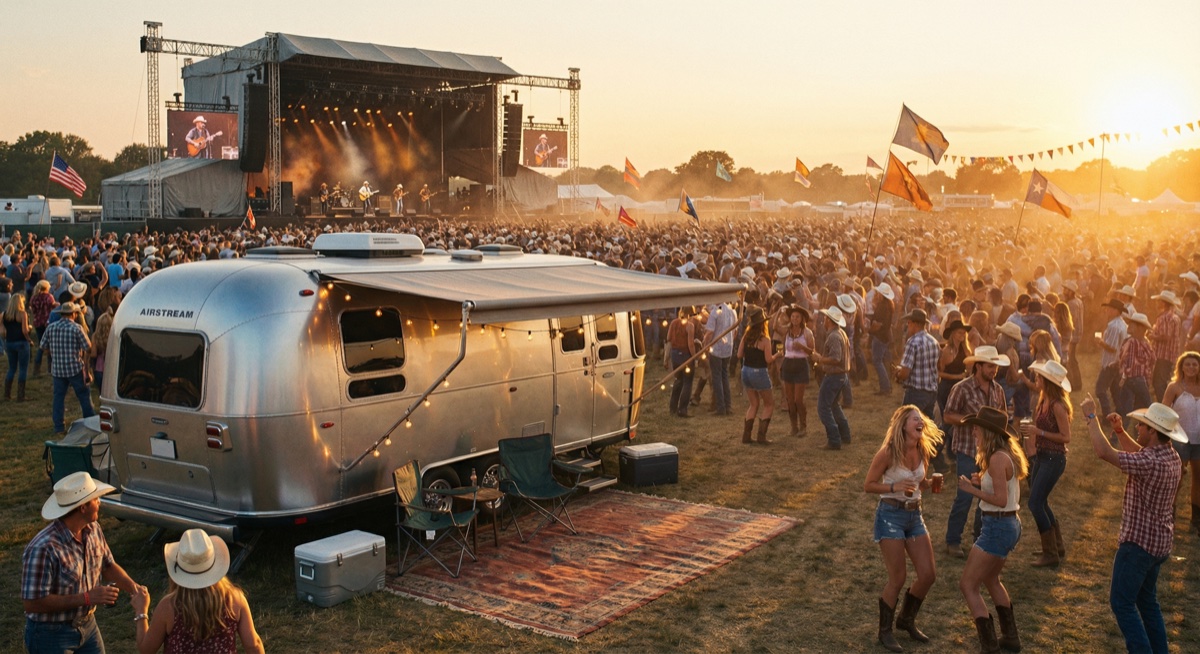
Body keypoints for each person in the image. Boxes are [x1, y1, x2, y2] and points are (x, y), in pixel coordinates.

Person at [1079, 396, 1185, 654]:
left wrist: (1091, 417)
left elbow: (1104, 453)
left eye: (1142, 425)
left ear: (1153, 431)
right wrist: (1119, 431)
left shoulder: (1150, 462)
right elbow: (1139, 453)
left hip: (1138, 545)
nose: (1137, 427)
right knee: (1148, 603)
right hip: (1159, 544)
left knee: (1122, 603)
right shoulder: (1171, 457)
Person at [22, 471, 145, 654]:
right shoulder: (43, 548)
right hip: (50, 634)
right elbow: (32, 603)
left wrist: (134, 588)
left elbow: (108, 565)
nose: (99, 503)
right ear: (83, 507)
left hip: (88, 626)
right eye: (96, 499)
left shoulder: (93, 529)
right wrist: (87, 598)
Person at [864, 405, 942, 652]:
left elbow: (918, 484)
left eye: (921, 419)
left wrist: (929, 484)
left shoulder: (923, 451)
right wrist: (894, 487)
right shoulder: (888, 453)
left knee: (928, 574)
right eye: (914, 419)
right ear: (903, 426)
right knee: (898, 578)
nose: (920, 422)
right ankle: (884, 632)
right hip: (890, 515)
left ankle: (905, 620)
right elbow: (868, 485)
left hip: (914, 516)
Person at [956, 406, 1030, 654]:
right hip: (1006, 524)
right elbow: (1003, 491)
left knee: (968, 585)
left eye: (977, 427)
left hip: (998, 526)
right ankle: (1010, 638)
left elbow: (998, 499)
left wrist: (972, 489)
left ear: (988, 431)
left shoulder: (998, 459)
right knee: (990, 578)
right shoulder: (1000, 455)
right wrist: (982, 481)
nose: (974, 431)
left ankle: (990, 647)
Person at [132, 529, 264, 654]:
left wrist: (141, 612)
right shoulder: (235, 599)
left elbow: (146, 649)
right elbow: (253, 645)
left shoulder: (169, 606)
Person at [942, 345, 1009, 559]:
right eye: (990, 366)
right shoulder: (962, 388)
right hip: (967, 449)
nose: (994, 370)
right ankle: (953, 540)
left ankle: (978, 540)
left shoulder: (998, 390)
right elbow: (947, 415)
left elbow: (1004, 416)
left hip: (990, 454)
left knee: (986, 497)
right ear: (978, 366)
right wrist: (970, 421)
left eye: (995, 366)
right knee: (964, 496)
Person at [1018, 359, 1073, 567]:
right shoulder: (1043, 400)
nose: (1036, 379)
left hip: (1054, 458)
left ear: (1048, 381)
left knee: (1034, 503)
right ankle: (1055, 546)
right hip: (1042, 455)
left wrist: (1038, 432)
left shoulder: (1058, 406)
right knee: (1041, 501)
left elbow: (1066, 437)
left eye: (1039, 377)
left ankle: (1050, 553)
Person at [41, 302, 95, 435]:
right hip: (74, 367)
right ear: (74, 314)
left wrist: (53, 353)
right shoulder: (76, 328)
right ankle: (91, 423)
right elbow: (88, 347)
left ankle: (59, 427)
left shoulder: (51, 327)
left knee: (58, 398)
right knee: (84, 396)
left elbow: (43, 346)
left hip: (58, 369)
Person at [1162, 350, 1200, 533]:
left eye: (1195, 364)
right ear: (1181, 367)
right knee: (1177, 479)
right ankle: (1169, 514)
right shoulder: (1174, 387)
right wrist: (1164, 437)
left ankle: (1196, 519)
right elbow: (1163, 412)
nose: (1191, 367)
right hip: (1179, 439)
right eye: (1188, 364)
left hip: (1199, 440)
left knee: (1198, 478)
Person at [815, 305, 852, 450]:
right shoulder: (841, 333)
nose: (823, 320)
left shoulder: (834, 336)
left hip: (834, 376)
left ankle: (834, 439)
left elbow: (835, 358)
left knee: (823, 408)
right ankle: (845, 435)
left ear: (829, 320)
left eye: (825, 318)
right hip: (841, 376)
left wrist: (820, 359)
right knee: (834, 406)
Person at [738, 307, 776, 444]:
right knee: (769, 404)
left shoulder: (746, 337)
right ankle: (761, 436)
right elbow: (768, 360)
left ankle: (746, 436)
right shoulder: (765, 340)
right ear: (763, 323)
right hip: (759, 372)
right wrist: (778, 355)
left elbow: (739, 355)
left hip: (746, 371)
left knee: (753, 404)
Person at [896, 308, 939, 422]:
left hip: (916, 392)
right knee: (928, 427)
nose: (907, 325)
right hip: (931, 392)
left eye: (909, 323)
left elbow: (905, 373)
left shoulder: (912, 342)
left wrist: (898, 374)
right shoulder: (933, 341)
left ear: (915, 324)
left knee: (905, 424)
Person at [780, 305, 814, 436]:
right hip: (788, 364)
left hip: (801, 364)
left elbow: (812, 351)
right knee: (790, 400)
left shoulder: (807, 332)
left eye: (797, 317)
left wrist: (802, 346)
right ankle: (793, 427)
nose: (794, 319)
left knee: (798, 399)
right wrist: (778, 313)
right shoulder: (786, 332)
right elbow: (775, 328)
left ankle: (803, 426)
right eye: (792, 316)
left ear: (802, 319)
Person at [1096, 298, 1129, 418]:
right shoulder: (1122, 324)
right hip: (1116, 362)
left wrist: (1100, 342)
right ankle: (1120, 413)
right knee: (1115, 390)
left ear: (1116, 311)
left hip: (1110, 362)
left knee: (1100, 389)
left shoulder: (1114, 326)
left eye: (1110, 309)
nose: (1107, 310)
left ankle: (1107, 415)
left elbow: (1113, 347)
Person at [1147, 290, 1183, 402]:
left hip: (1163, 354)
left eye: (1159, 301)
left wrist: (1152, 336)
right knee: (1161, 381)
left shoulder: (1165, 317)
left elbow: (1166, 337)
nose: (1157, 303)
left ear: (1163, 303)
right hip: (1169, 355)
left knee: (1159, 383)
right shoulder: (1174, 316)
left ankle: (1165, 405)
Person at [703, 299, 737, 416]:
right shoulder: (731, 311)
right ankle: (728, 406)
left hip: (716, 347)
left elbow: (710, 333)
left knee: (717, 377)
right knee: (725, 376)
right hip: (728, 347)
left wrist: (705, 345)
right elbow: (734, 330)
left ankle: (720, 407)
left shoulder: (715, 312)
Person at [666, 306, 698, 418]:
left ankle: (672, 408)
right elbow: (690, 344)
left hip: (675, 354)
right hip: (685, 356)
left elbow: (668, 339)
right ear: (690, 314)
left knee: (678, 380)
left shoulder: (673, 323)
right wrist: (695, 358)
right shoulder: (690, 326)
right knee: (687, 383)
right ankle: (682, 409)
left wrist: (666, 358)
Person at [3, 292, 33, 401]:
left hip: (10, 343)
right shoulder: (22, 314)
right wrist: (29, 339)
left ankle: (7, 394)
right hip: (21, 342)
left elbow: (3, 332)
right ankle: (21, 395)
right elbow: (24, 331)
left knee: (11, 368)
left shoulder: (4, 314)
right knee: (23, 369)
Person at [869, 283, 896, 395]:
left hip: (880, 336)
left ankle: (885, 387)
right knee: (881, 361)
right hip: (884, 335)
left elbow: (878, 323)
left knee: (877, 361)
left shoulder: (883, 306)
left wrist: (871, 330)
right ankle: (886, 386)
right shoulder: (888, 305)